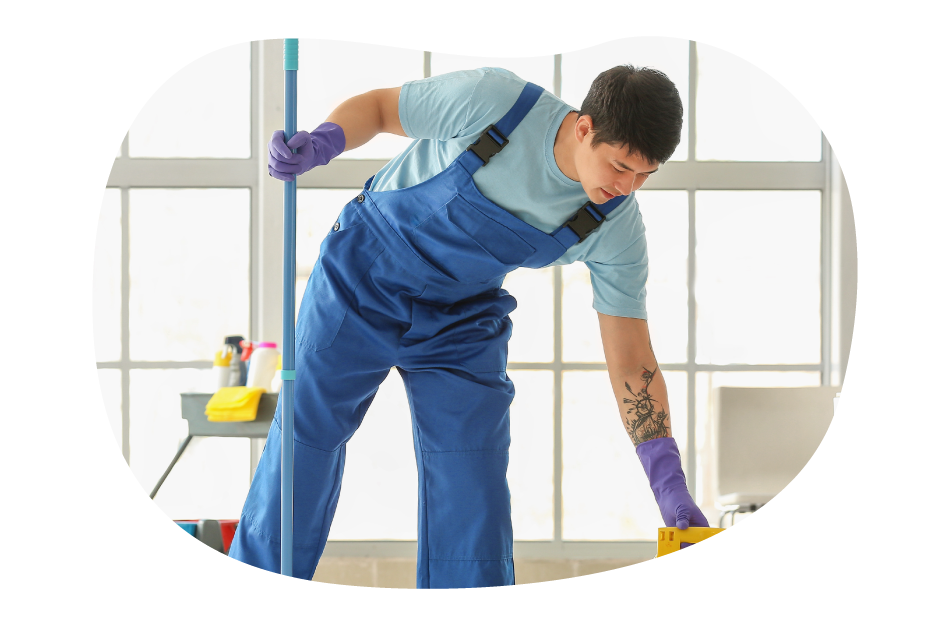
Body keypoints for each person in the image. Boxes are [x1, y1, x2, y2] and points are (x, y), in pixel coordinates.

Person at [228, 65, 708, 587]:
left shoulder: (616, 226)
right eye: (620, 167)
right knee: (307, 439)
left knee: (472, 481)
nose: (627, 188)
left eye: (644, 176)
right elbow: (382, 109)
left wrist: (669, 482)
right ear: (584, 127)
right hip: (365, 271)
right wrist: (326, 141)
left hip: (462, 316)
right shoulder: (497, 104)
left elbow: (632, 357)